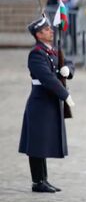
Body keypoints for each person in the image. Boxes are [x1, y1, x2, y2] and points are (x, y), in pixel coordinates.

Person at [19, 15, 75, 193]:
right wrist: (65, 94)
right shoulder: (36, 54)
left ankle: (43, 179)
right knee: (37, 143)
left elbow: (68, 62)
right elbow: (47, 78)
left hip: (49, 102)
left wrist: (68, 70)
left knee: (42, 142)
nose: (50, 31)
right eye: (45, 30)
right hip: (40, 102)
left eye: (50, 29)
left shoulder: (52, 50)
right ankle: (37, 181)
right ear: (38, 34)